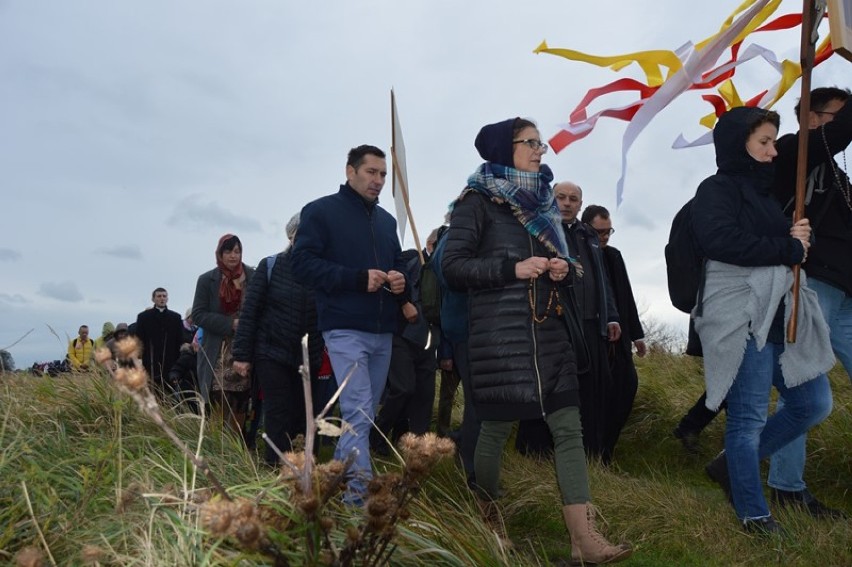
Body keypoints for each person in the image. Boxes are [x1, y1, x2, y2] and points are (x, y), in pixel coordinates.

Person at [441, 116, 631, 563]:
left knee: (568, 427)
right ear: (503, 149)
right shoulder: (477, 201)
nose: (540, 150)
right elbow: (453, 266)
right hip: (499, 339)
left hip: (548, 331)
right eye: (530, 143)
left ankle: (583, 540)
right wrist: (512, 270)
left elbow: (565, 262)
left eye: (540, 143)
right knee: (494, 430)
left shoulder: (545, 203)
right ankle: (488, 519)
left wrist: (563, 269)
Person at [692, 106, 834, 534]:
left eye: (774, 141)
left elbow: (779, 248)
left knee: (813, 403)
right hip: (743, 317)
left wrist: (795, 241)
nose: (774, 151)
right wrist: (787, 247)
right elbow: (718, 240)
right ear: (741, 145)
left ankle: (733, 466)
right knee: (748, 419)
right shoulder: (715, 189)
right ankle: (753, 515)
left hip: (778, 314)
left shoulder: (767, 196)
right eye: (765, 142)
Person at [290, 144, 410, 505]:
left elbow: (395, 266)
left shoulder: (388, 222)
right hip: (343, 327)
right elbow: (302, 265)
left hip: (382, 330)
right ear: (350, 171)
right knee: (358, 411)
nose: (378, 180)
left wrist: (399, 281)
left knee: (364, 417)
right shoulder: (321, 212)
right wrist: (357, 279)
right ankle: (362, 501)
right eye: (371, 172)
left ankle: (332, 488)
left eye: (383, 174)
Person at [764, 86, 851, 517]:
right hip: (812, 286)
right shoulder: (793, 153)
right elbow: (840, 134)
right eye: (838, 114)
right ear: (812, 118)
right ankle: (785, 486)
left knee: (802, 388)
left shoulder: (834, 170)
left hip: (844, 292)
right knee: (802, 387)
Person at [232, 212, 325, 466]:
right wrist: (241, 354)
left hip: (309, 356)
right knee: (278, 411)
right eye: (300, 234)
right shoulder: (271, 265)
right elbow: (251, 311)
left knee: (305, 414)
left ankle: (303, 470)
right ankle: (275, 467)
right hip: (272, 352)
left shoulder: (323, 270)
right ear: (291, 236)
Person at [540, 181, 621, 464]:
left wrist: (610, 315)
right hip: (555, 326)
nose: (567, 203)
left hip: (590, 327)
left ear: (580, 204)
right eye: (561, 197)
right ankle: (542, 456)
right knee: (555, 393)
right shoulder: (540, 229)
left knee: (595, 394)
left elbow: (602, 280)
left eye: (573, 199)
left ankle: (591, 457)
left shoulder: (588, 235)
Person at [581, 204, 645, 460]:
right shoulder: (580, 254)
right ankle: (593, 453)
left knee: (627, 386)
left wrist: (637, 335)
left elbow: (625, 296)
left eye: (609, 232)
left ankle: (607, 449)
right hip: (592, 338)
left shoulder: (614, 256)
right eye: (599, 232)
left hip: (619, 340)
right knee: (596, 397)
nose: (605, 238)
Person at [371, 247, 437, 454]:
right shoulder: (410, 258)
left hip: (430, 339)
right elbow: (394, 282)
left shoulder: (444, 269)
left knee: (424, 396)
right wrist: (405, 303)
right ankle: (376, 436)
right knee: (403, 388)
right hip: (402, 336)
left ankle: (418, 451)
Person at [192, 234, 256, 437]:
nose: (233, 256)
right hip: (217, 351)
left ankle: (237, 448)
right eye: (228, 251)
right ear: (220, 253)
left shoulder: (252, 276)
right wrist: (231, 324)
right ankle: (216, 447)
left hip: (245, 348)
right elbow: (198, 315)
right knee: (218, 400)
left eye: (237, 251)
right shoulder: (207, 280)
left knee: (242, 401)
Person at [135, 287, 185, 396]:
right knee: (152, 393)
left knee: (169, 394)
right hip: (150, 361)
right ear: (153, 299)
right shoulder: (143, 317)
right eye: (159, 296)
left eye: (164, 296)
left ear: (167, 299)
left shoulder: (176, 317)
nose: (162, 298)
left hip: (170, 361)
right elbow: (139, 340)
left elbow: (180, 340)